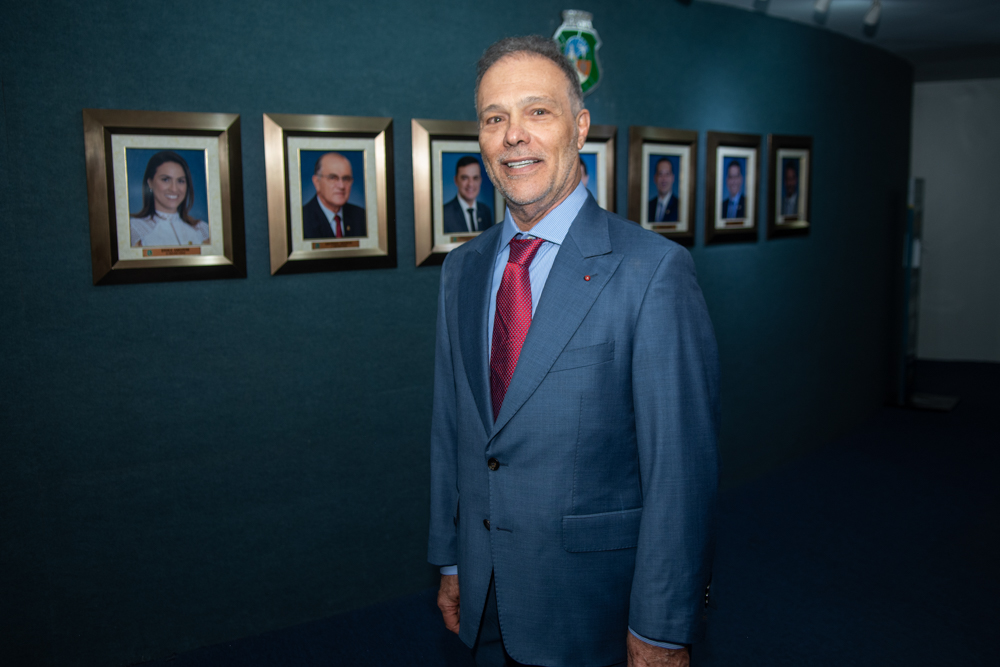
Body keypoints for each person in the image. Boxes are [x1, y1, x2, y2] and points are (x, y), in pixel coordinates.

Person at [429, 35, 719, 667]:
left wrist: (662, 627)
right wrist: (450, 560)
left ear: (580, 127)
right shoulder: (462, 269)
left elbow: (680, 474)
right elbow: (452, 430)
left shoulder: (653, 272)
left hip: (591, 609)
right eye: (494, 118)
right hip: (484, 591)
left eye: (537, 111)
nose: (513, 135)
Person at [129, 151, 209, 247]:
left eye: (180, 181)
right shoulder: (135, 229)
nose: (174, 189)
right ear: (150, 183)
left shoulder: (202, 229)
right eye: (165, 179)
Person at [302, 152, 366, 239]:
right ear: (317, 182)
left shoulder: (362, 217)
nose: (341, 186)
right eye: (332, 178)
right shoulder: (301, 220)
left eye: (346, 178)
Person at [444, 156, 494, 234]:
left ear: (480, 180)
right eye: (465, 178)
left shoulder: (486, 211)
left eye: (475, 178)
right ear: (456, 180)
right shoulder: (445, 214)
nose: (470, 184)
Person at [647, 158, 679, 223]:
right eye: (660, 174)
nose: (664, 179)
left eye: (667, 174)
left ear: (672, 178)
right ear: (655, 178)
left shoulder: (680, 207)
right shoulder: (648, 206)